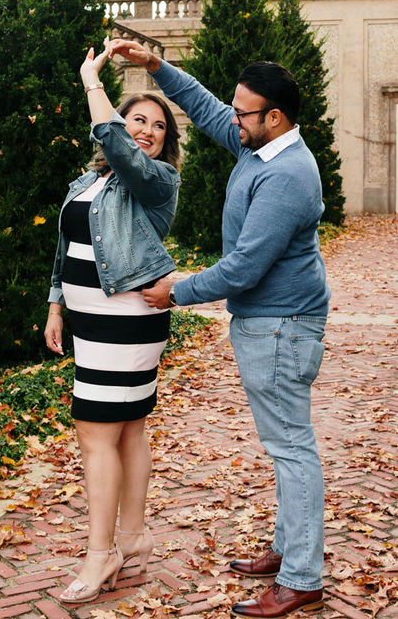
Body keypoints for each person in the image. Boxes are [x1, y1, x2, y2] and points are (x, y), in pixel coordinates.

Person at [106, 38, 330, 618]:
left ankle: (303, 578)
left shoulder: (287, 175)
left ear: (273, 117)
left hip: (281, 327)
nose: (233, 118)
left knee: (292, 450)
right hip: (272, 322)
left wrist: (176, 291)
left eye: (243, 112)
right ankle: (288, 550)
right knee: (285, 445)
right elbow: (206, 109)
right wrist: (156, 66)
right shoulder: (264, 145)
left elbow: (245, 267)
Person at [44, 40, 180, 604]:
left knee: (95, 432)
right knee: (126, 430)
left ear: (166, 143)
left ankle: (100, 555)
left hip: (127, 321)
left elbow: (117, 145)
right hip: (89, 322)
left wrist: (92, 80)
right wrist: (56, 304)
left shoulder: (157, 181)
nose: (147, 131)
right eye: (138, 119)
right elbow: (65, 247)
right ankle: (132, 538)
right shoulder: (86, 182)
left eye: (158, 126)